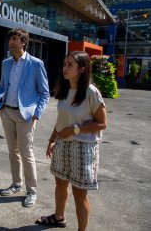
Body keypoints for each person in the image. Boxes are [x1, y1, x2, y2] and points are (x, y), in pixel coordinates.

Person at [35, 51, 107, 230]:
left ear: (81, 69)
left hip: (83, 147)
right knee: (60, 182)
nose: (64, 68)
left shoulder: (91, 92)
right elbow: (61, 119)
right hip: (62, 143)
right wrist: (52, 139)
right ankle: (58, 217)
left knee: (79, 193)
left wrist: (75, 130)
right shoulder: (64, 88)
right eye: (64, 64)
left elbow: (102, 123)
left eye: (70, 65)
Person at [0, 28, 50, 207]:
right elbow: (2, 85)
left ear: (23, 42)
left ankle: (32, 191)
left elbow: (45, 93)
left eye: (15, 39)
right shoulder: (6, 63)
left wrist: (37, 114)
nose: (11, 42)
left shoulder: (36, 64)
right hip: (7, 112)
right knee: (12, 151)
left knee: (26, 153)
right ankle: (16, 184)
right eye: (10, 40)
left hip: (26, 116)